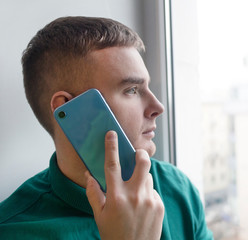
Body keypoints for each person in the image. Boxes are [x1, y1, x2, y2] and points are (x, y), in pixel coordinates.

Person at [0, 16, 213, 240]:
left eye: (147, 87)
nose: (157, 107)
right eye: (132, 90)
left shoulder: (176, 189)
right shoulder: (12, 231)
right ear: (69, 108)